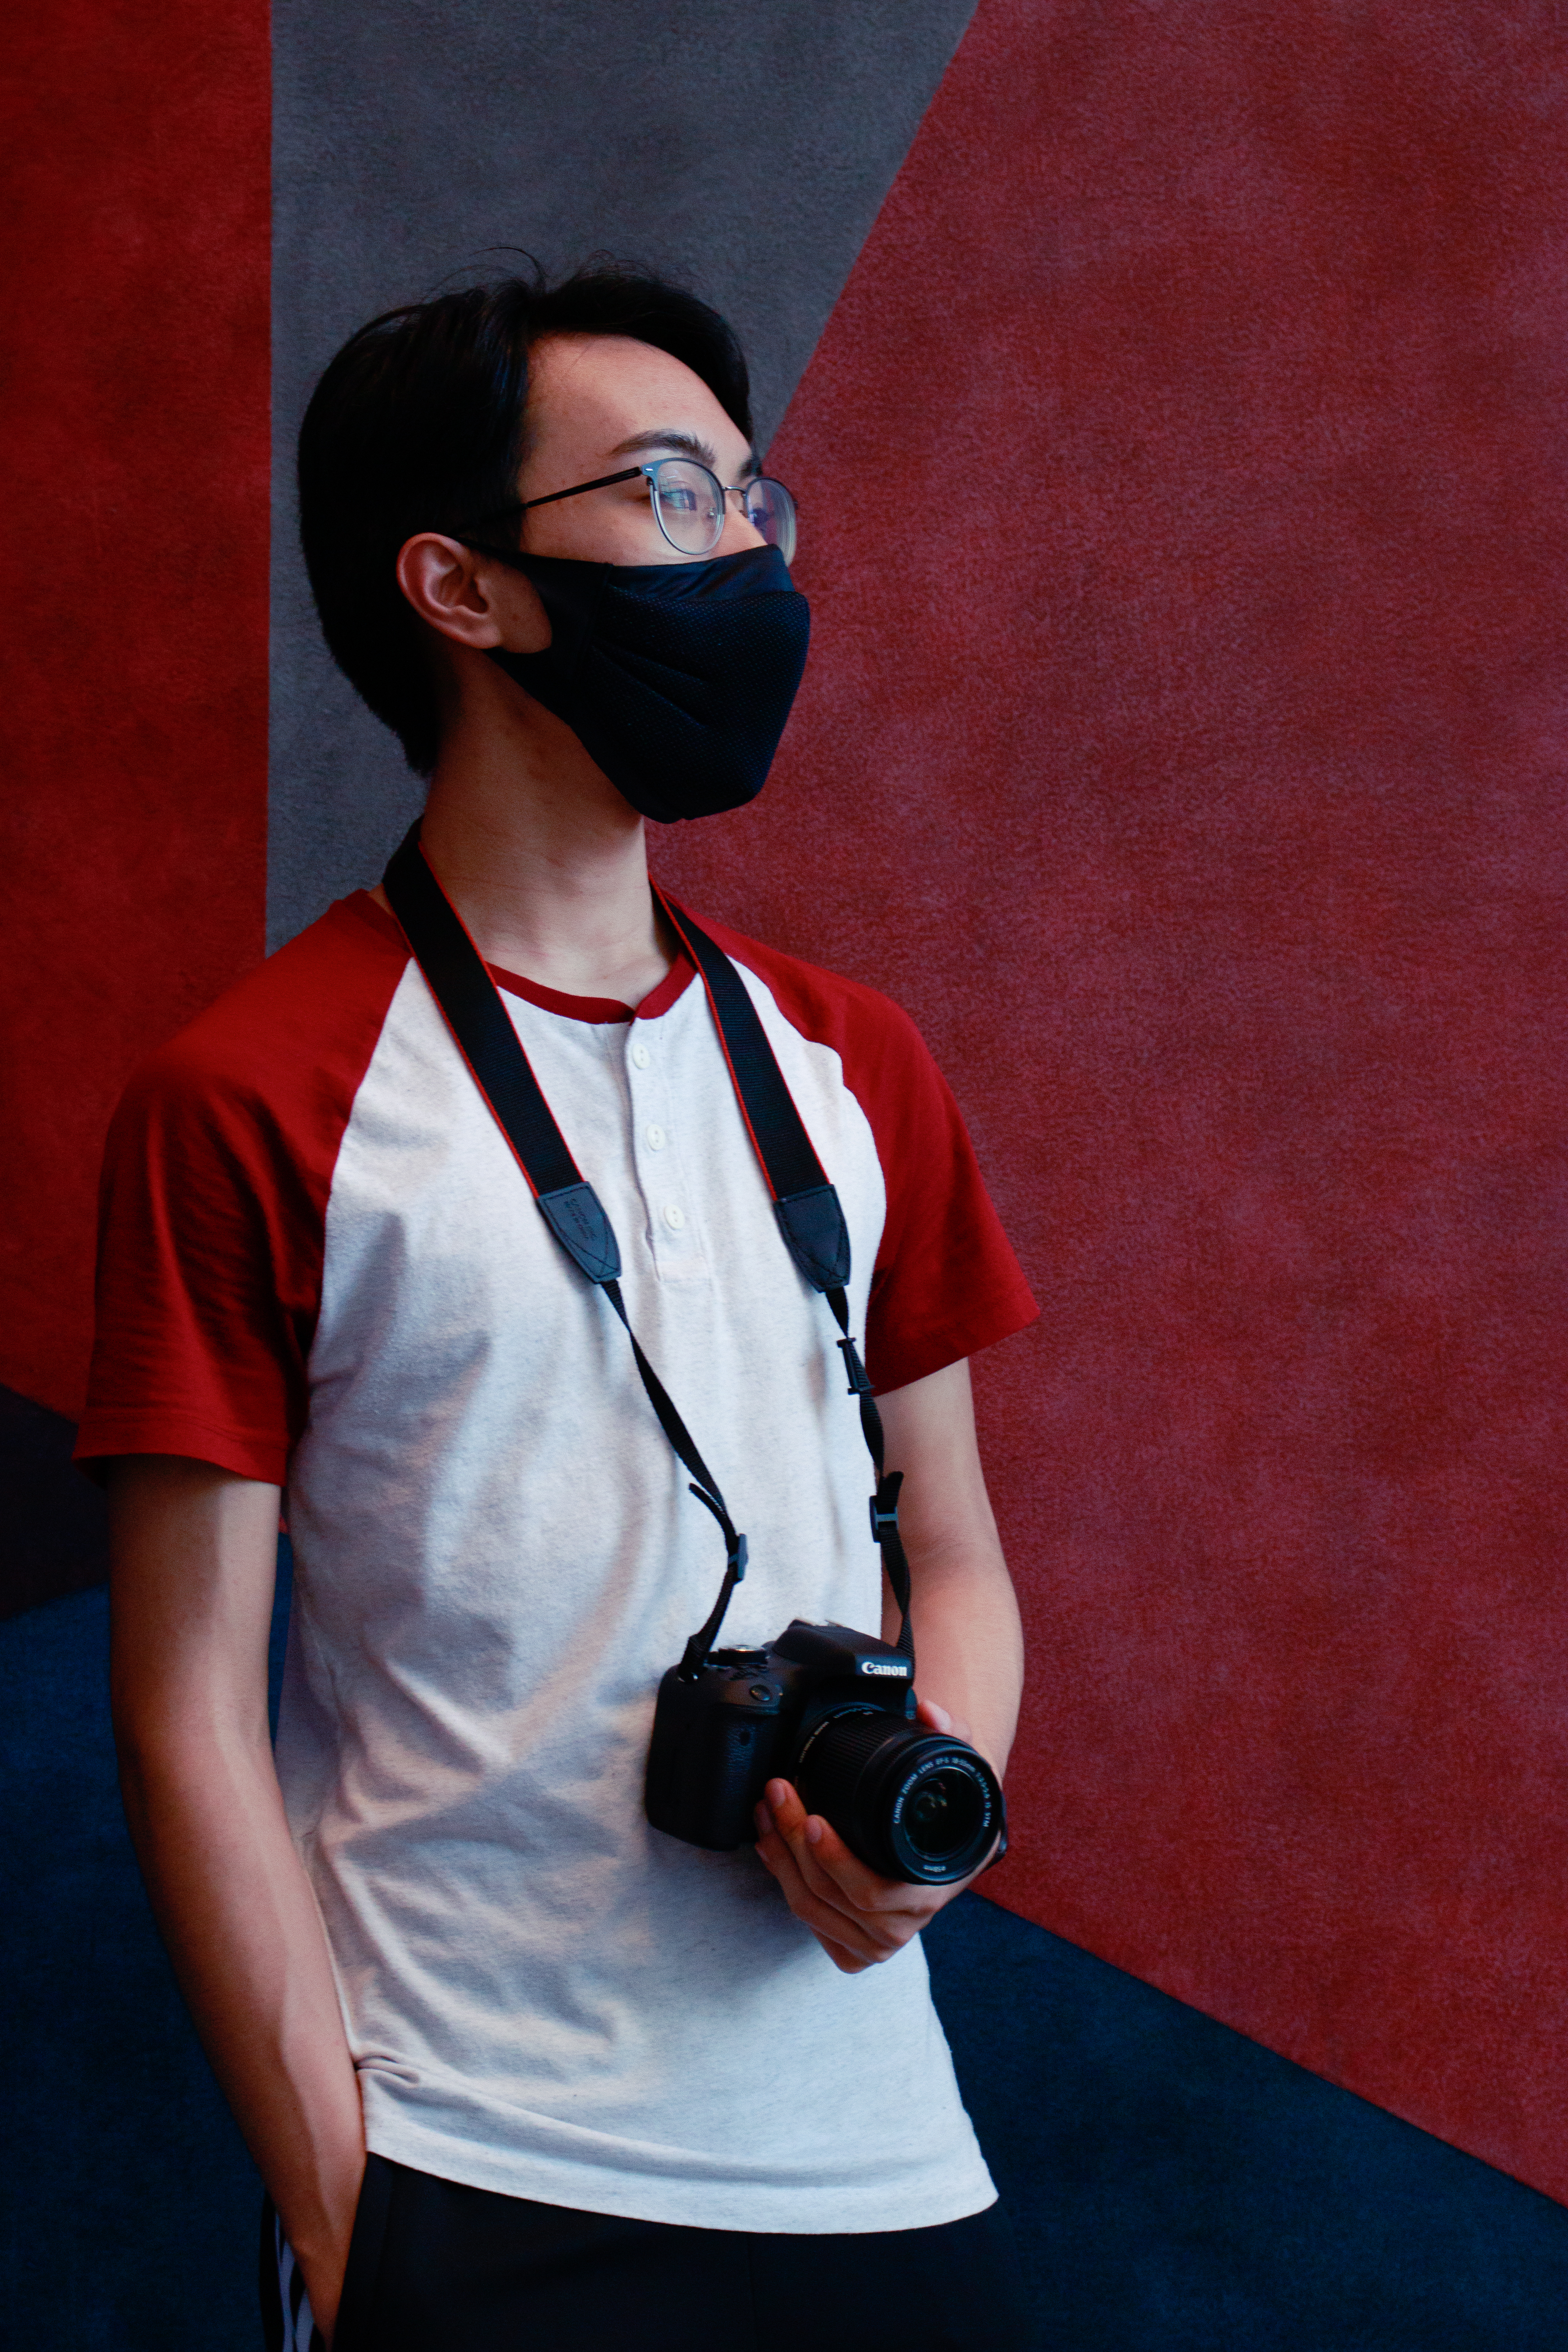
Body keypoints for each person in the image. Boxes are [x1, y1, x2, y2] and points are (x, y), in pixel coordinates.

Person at [81, 263, 1039, 2351]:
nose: (745, 556)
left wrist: (924, 1815)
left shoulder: (858, 1067)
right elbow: (180, 1712)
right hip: (475, 2175)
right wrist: (348, 2217)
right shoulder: (252, 1097)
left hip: (887, 2170)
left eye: (751, 505)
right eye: (669, 493)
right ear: (465, 586)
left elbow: (954, 1552)